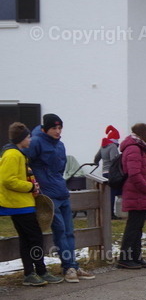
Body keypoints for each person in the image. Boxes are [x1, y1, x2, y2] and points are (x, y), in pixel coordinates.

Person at [27, 113, 94, 282]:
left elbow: (60, 168)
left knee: (70, 231)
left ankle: (73, 265)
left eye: (59, 127)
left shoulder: (60, 145)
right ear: (45, 129)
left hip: (62, 191)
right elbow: (25, 162)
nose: (58, 131)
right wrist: (35, 184)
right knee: (60, 231)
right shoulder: (35, 142)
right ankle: (68, 267)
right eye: (53, 128)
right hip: (48, 195)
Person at [1, 123, 63, 285]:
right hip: (19, 205)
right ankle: (39, 271)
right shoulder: (13, 155)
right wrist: (29, 186)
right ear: (21, 139)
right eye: (28, 137)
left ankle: (31, 273)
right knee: (35, 238)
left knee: (27, 239)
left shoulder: (18, 154)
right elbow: (8, 180)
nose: (30, 139)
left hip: (22, 204)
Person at [117, 123, 146, 269]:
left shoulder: (140, 147)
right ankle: (125, 258)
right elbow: (134, 173)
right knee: (133, 227)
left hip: (139, 193)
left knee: (138, 226)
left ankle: (136, 256)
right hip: (136, 193)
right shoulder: (134, 148)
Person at [94, 125, 121, 219]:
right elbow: (114, 159)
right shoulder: (113, 146)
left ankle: (107, 212)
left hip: (104, 172)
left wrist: (96, 163)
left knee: (108, 193)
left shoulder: (103, 146)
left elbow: (96, 158)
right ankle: (111, 214)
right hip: (111, 173)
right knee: (113, 193)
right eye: (118, 138)